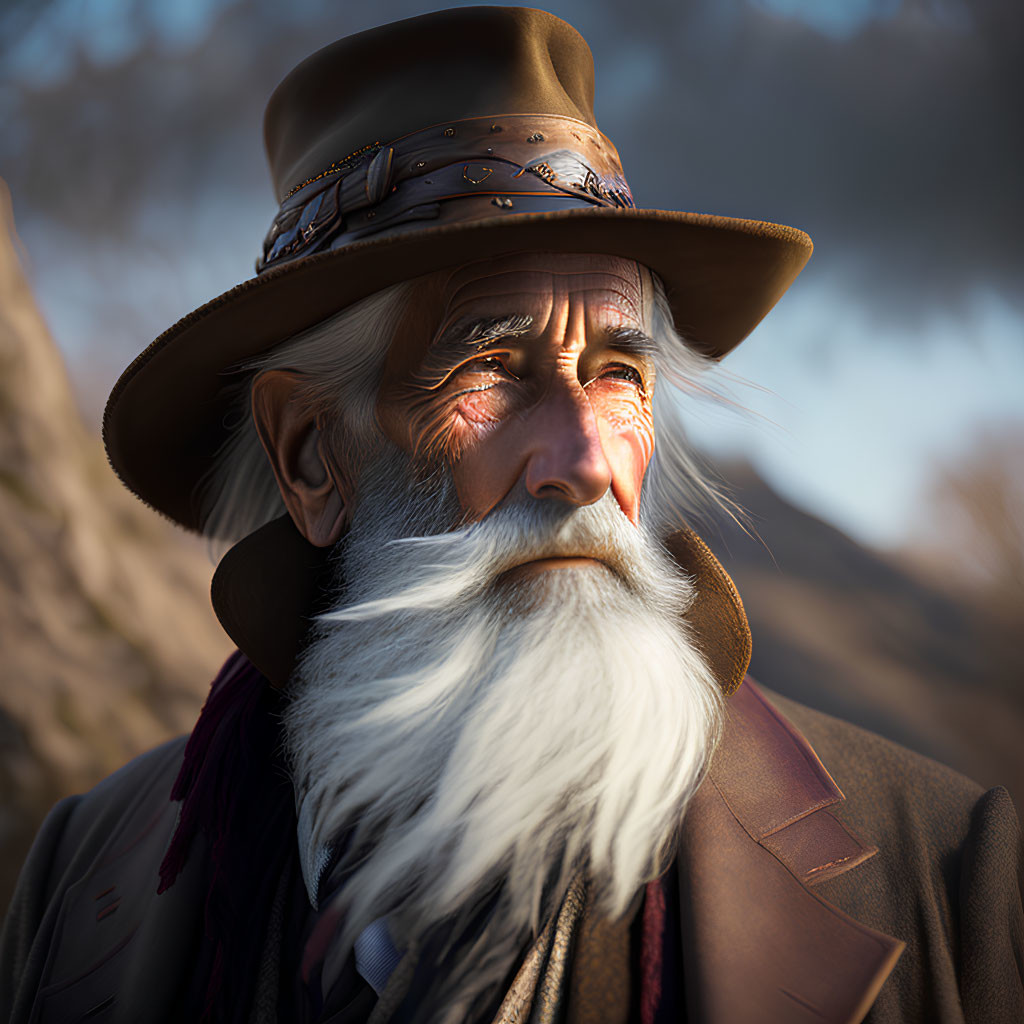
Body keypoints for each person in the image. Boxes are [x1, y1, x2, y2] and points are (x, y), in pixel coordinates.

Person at [2, 8, 1021, 1023]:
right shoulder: (86, 870)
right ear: (312, 455)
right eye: (490, 368)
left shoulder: (951, 870)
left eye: (617, 373)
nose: (581, 461)